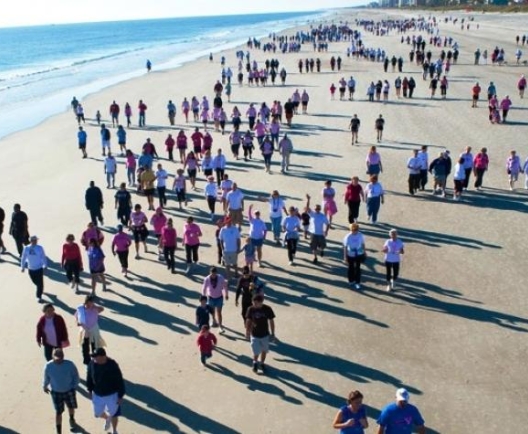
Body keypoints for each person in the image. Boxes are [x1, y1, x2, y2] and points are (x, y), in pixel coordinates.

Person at [86, 348, 125, 434]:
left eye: (96, 357)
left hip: (112, 394)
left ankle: (114, 430)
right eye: (94, 357)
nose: (94, 359)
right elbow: (89, 376)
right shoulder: (92, 363)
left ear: (103, 357)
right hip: (97, 394)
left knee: (114, 414)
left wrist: (120, 396)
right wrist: (89, 389)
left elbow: (119, 380)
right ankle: (107, 418)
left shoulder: (112, 365)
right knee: (98, 413)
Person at [42, 348, 80, 434]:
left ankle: (71, 419)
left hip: (69, 390)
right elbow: (46, 378)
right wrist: (44, 386)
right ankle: (59, 431)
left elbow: (76, 376)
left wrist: (74, 386)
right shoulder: (48, 366)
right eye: (57, 358)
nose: (59, 360)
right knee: (58, 412)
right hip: (56, 392)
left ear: (63, 357)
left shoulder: (70, 365)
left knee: (71, 407)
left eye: (61, 358)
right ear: (53, 357)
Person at [245, 294, 275, 374]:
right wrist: (247, 332)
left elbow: (271, 321)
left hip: (265, 334)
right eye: (253, 303)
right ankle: (255, 362)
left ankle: (262, 363)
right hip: (254, 334)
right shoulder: (250, 309)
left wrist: (273, 333)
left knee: (264, 350)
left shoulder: (267, 309)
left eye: (256, 303)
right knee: (256, 351)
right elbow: (248, 320)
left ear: (261, 302)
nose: (254, 305)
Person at [75, 295, 105, 365]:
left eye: (91, 303)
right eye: (88, 303)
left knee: (95, 346)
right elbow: (76, 316)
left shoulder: (95, 308)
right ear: (85, 302)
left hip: (93, 329)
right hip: (84, 330)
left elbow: (102, 309)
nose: (89, 305)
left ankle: (95, 360)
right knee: (85, 346)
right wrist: (77, 322)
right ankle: (86, 360)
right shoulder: (80, 308)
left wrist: (95, 306)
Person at [202, 267, 228, 333]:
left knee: (219, 312)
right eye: (212, 274)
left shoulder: (220, 277)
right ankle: (214, 321)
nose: (213, 275)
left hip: (219, 297)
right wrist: (204, 297)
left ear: (216, 273)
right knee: (212, 311)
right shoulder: (207, 279)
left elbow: (225, 286)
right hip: (210, 298)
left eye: (214, 274)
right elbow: (204, 288)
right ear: (210, 273)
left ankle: (220, 327)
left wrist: (226, 294)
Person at [21, 235, 47, 303]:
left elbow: (43, 257)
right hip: (31, 269)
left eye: (36, 240)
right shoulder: (26, 248)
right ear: (30, 241)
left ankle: (39, 296)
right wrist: (22, 267)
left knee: (40, 284)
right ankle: (40, 289)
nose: (35, 241)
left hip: (39, 268)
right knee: (35, 282)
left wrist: (45, 265)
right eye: (33, 240)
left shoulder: (40, 248)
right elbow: (23, 257)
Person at [305, 194, 330, 263]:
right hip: (313, 233)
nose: (317, 210)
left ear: (320, 209)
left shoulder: (323, 216)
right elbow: (307, 208)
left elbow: (328, 224)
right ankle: (315, 257)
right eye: (316, 209)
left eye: (318, 209)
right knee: (313, 246)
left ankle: (321, 250)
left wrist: (326, 231)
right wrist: (308, 200)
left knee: (322, 246)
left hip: (320, 233)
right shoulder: (312, 214)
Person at [343, 223, 366, 290]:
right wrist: (345, 257)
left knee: (358, 268)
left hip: (359, 254)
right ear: (351, 229)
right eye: (353, 229)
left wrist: (365, 252)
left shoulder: (360, 235)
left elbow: (363, 244)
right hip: (351, 254)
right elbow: (345, 247)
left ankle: (357, 282)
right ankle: (351, 280)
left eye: (356, 229)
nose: (355, 231)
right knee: (351, 268)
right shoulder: (348, 236)